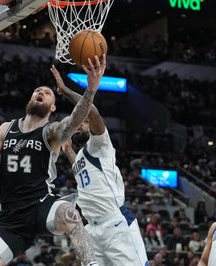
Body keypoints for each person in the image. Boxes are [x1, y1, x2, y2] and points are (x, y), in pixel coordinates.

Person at [0, 56, 106, 266]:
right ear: (30, 100)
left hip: (41, 205)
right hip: (10, 218)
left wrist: (90, 90)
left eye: (47, 92)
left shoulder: (50, 132)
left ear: (52, 108)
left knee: (70, 214)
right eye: (38, 91)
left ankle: (91, 264)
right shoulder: (5, 129)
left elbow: (73, 121)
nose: (41, 92)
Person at [52, 64, 148, 265]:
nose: (78, 126)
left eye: (82, 123)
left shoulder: (100, 145)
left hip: (115, 225)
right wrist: (68, 149)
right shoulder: (81, 157)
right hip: (92, 230)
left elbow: (92, 111)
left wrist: (67, 91)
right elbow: (78, 168)